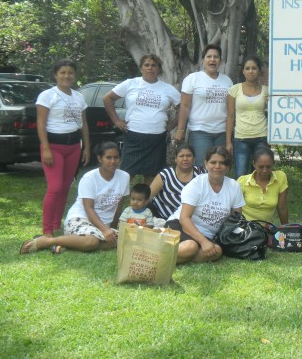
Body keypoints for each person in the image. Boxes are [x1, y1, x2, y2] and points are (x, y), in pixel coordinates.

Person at [20, 142, 129, 254]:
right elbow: (89, 209)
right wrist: (105, 230)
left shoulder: (124, 177)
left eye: (116, 157)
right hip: (81, 219)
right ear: (99, 158)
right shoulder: (89, 178)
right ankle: (47, 241)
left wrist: (113, 229)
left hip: (102, 225)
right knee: (92, 242)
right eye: (108, 157)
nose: (113, 161)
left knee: (122, 241)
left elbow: (118, 207)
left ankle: (66, 244)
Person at [103, 54, 181, 185]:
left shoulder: (167, 88)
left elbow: (183, 107)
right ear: (141, 68)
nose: (150, 68)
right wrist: (116, 121)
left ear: (159, 69)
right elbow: (107, 98)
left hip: (157, 139)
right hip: (133, 137)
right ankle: (116, 204)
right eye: (147, 65)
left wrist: (174, 123)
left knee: (152, 178)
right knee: (126, 177)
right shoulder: (130, 83)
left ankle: (148, 204)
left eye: (154, 65)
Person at [36, 58, 90, 240]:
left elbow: (84, 125)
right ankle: (47, 230)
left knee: (66, 187)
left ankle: (56, 224)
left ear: (75, 75)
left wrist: (87, 148)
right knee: (55, 187)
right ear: (55, 75)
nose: (67, 76)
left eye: (70, 73)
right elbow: (41, 123)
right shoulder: (47, 95)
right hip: (53, 146)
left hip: (73, 147)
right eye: (62, 73)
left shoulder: (79, 96)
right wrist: (46, 148)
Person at [165, 147, 245, 264]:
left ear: (228, 167)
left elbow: (236, 218)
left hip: (207, 234)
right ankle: (158, 260)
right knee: (190, 246)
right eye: (213, 162)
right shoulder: (197, 184)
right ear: (206, 164)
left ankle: (178, 258)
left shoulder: (234, 186)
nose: (217, 166)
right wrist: (203, 242)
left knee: (217, 251)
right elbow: (184, 218)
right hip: (180, 225)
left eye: (222, 163)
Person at [176, 44, 233, 166]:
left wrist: (229, 139)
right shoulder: (193, 79)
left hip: (221, 132)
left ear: (220, 61)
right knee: (202, 168)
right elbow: (185, 106)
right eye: (209, 57)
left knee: (219, 167)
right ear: (203, 60)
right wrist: (180, 130)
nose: (212, 60)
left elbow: (230, 112)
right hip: (199, 131)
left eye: (216, 57)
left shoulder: (227, 81)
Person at [226, 56, 270, 178]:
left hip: (262, 137)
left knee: (261, 174)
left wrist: (271, 136)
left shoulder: (267, 91)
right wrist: (228, 142)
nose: (251, 71)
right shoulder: (234, 90)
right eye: (247, 68)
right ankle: (240, 198)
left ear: (259, 71)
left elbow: (273, 114)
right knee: (241, 175)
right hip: (241, 139)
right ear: (243, 71)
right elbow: (230, 116)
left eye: (254, 68)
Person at [147, 143, 205, 220]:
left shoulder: (201, 173)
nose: (185, 159)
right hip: (159, 216)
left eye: (189, 156)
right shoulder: (165, 174)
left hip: (190, 218)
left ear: (194, 158)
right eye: (181, 156)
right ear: (175, 159)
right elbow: (148, 196)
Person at [238, 147, 288, 224]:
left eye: (268, 167)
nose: (265, 170)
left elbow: (282, 208)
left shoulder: (280, 178)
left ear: (273, 164)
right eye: (261, 167)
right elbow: (235, 209)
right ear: (254, 164)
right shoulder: (243, 181)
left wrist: (286, 229)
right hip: (245, 227)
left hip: (266, 228)